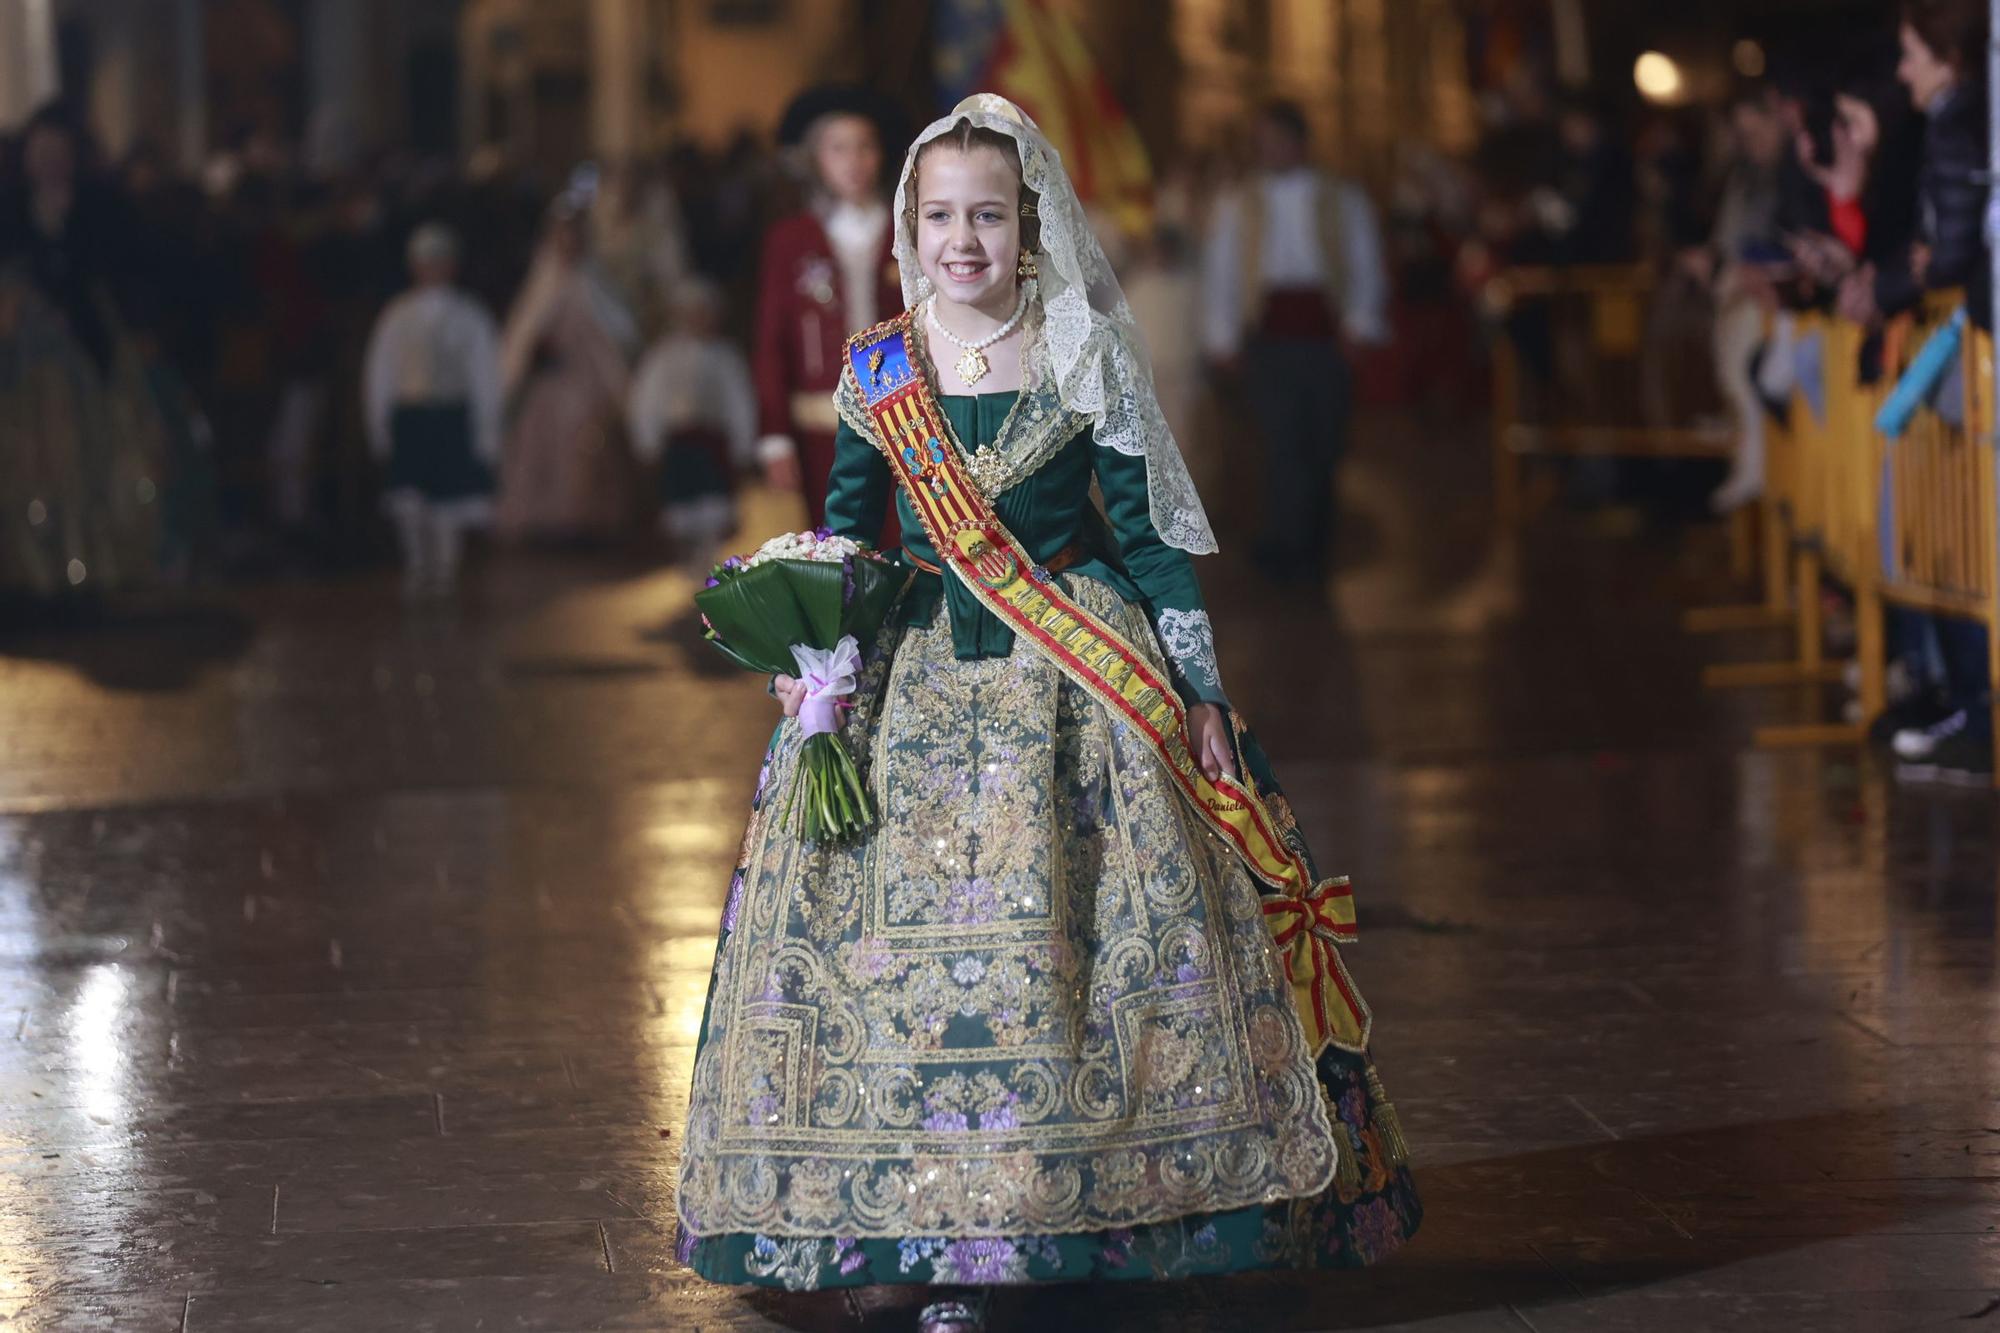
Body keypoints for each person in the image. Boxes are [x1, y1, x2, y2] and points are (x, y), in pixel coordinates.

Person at [675, 95, 1420, 1333]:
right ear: (908, 227)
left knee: (1077, 954)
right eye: (939, 216)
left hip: (1077, 696)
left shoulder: (1081, 348)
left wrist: (1201, 697)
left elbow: (1150, 548)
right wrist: (808, 651)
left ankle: (1125, 1220)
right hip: (910, 698)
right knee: (892, 974)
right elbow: (853, 532)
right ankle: (922, 1228)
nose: (961, 239)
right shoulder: (878, 367)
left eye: (987, 215)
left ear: (1030, 225)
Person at [1201, 101, 1389, 581]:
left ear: (1299, 142)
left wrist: (1360, 323)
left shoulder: (1341, 198)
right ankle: (1284, 543)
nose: (1268, 150)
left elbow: (1363, 260)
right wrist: (1223, 336)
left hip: (1325, 336)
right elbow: (1223, 272)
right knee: (1281, 442)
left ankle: (1315, 539)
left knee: (1323, 442)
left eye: (1276, 139)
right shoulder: (1240, 202)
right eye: (1261, 141)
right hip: (1269, 335)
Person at [753, 87, 904, 528]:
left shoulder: (911, 229)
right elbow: (771, 341)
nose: (853, 161)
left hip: (904, 417)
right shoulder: (791, 239)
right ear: (815, 157)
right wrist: (774, 435)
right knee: (834, 551)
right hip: (820, 427)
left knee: (903, 542)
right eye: (838, 148)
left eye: (865, 146)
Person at [362, 224, 502, 600]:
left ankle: (444, 567)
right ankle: (416, 564)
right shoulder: (397, 315)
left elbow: (484, 375)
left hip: (451, 416)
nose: (433, 270)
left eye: (440, 262)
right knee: (410, 500)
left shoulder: (470, 315)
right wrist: (379, 425)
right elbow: (381, 374)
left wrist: (487, 431)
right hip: (411, 417)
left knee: (449, 502)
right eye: (426, 262)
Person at [496, 192, 638, 542]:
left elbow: (616, 330)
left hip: (589, 379)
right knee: (543, 437)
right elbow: (524, 333)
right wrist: (532, 354)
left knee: (587, 435)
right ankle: (544, 518)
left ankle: (587, 517)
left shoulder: (594, 282)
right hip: (549, 379)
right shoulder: (542, 282)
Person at [627, 277, 756, 575]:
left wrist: (742, 446)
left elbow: (740, 403)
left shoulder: (725, 357)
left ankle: (708, 567)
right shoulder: (663, 356)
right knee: (681, 513)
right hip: (679, 447)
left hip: (712, 446)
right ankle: (688, 568)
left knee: (713, 512)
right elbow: (647, 399)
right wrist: (646, 439)